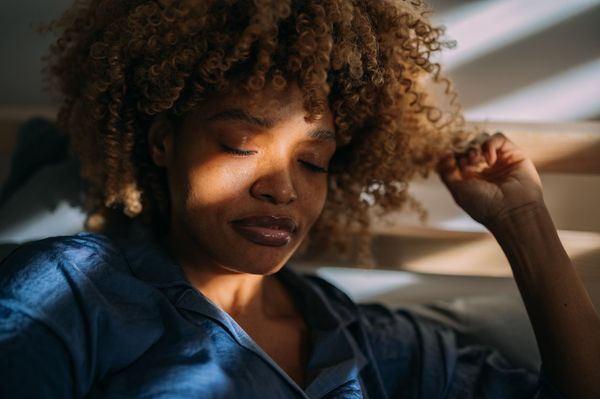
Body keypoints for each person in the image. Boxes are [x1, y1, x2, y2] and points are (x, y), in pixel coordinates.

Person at [1, 0, 598, 398]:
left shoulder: (362, 337)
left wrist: (523, 222)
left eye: (313, 161)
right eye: (240, 144)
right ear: (162, 142)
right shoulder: (66, 294)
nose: (283, 187)